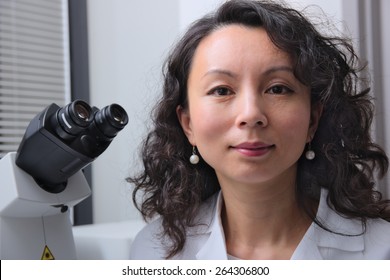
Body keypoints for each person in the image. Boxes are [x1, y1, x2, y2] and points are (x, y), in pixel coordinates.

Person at [128, 0, 390, 259]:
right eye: (221, 90)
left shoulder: (382, 251)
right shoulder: (153, 251)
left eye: (277, 88)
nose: (251, 114)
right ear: (188, 124)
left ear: (312, 119)